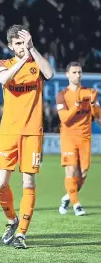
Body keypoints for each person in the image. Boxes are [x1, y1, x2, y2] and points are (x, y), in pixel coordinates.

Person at [0, 25, 53, 249]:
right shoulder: (4, 63)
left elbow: (49, 74)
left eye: (24, 42)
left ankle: (21, 233)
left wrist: (33, 49)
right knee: (1, 184)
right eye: (18, 43)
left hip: (32, 131)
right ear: (11, 46)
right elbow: (3, 79)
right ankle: (12, 219)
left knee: (28, 181)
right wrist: (23, 59)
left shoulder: (36, 63)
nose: (22, 47)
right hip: (8, 131)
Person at [56, 62, 100, 216]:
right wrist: (76, 105)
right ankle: (76, 204)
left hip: (85, 138)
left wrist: (94, 104)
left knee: (83, 173)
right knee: (71, 170)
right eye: (74, 72)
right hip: (68, 137)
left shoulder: (90, 92)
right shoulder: (62, 95)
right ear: (67, 74)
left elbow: (98, 118)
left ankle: (68, 196)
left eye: (79, 72)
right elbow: (65, 119)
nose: (77, 75)